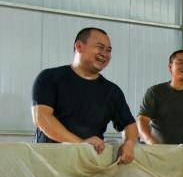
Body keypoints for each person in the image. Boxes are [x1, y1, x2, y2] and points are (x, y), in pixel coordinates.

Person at [31, 27, 137, 164]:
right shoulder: (50, 78)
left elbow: (130, 125)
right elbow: (42, 118)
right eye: (100, 47)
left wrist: (129, 144)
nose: (104, 54)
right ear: (79, 46)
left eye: (108, 50)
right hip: (49, 163)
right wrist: (80, 143)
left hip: (89, 164)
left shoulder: (112, 91)